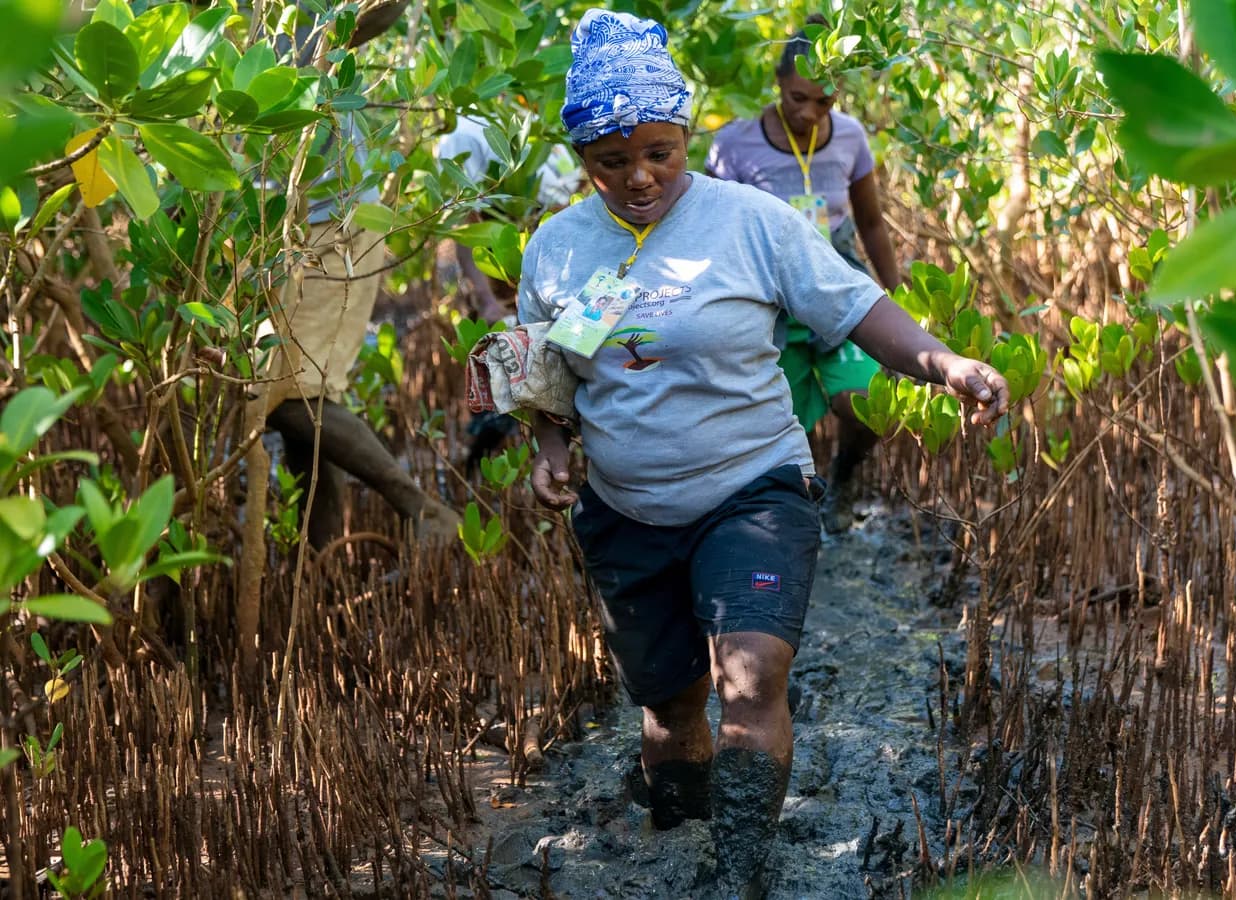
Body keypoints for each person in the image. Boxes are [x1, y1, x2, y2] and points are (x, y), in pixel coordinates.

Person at [518, 10, 1008, 896]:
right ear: (583, 157)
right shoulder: (556, 248)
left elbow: (853, 307)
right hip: (627, 511)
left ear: (685, 134)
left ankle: (738, 874)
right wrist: (550, 450)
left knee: (749, 679)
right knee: (670, 714)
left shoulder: (752, 223)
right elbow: (546, 372)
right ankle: (680, 822)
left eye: (659, 153)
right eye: (612, 161)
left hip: (753, 487)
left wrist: (945, 364)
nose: (639, 177)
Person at [253, 0, 459, 549]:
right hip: (264, 218)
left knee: (287, 396)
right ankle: (314, 562)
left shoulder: (302, 12)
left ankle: (419, 508)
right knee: (301, 395)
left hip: (328, 221)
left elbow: (382, 12)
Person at [705, 14, 902, 533]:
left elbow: (871, 221)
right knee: (779, 423)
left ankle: (842, 480)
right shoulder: (733, 145)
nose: (811, 114)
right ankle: (793, 511)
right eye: (798, 99)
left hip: (837, 285)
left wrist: (899, 294)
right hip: (769, 298)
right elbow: (710, 231)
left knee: (865, 402)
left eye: (825, 102)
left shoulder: (852, 137)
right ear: (778, 84)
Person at [434, 112, 582, 473]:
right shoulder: (465, 132)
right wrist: (487, 299)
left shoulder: (544, 120)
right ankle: (483, 471)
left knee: (564, 381)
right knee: (506, 394)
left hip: (559, 282)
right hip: (505, 283)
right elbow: (467, 228)